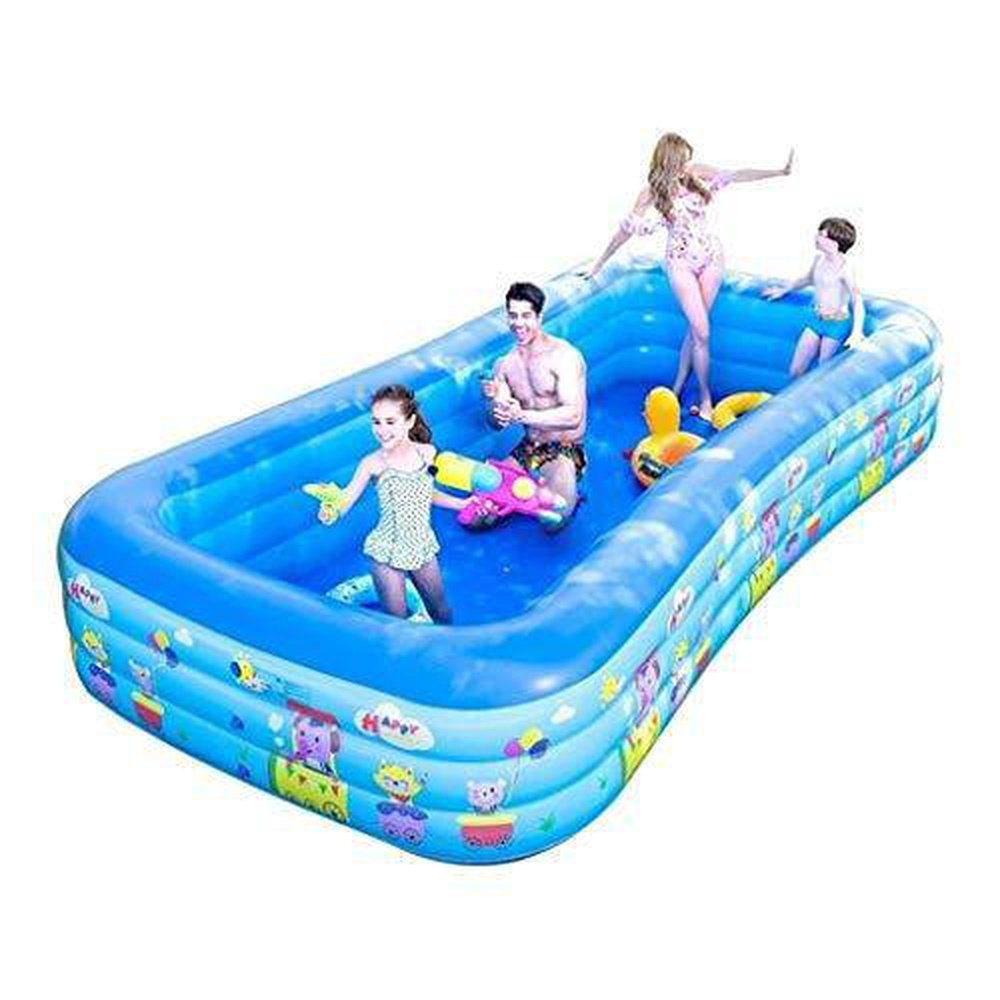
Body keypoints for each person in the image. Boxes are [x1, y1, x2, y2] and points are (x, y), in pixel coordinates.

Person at [584, 132, 793, 420]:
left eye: (688, 160)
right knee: (702, 332)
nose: (687, 166)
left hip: (711, 257)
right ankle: (706, 398)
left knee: (697, 330)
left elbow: (736, 174)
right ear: (668, 160)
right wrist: (599, 263)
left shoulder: (696, 174)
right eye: (682, 161)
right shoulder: (651, 193)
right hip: (680, 262)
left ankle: (679, 388)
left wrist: (779, 172)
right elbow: (625, 231)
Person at [331, 384, 467, 623]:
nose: (382, 430)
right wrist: (332, 510)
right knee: (398, 623)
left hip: (421, 544)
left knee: (441, 611)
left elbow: (425, 492)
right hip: (387, 551)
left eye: (390, 422)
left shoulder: (427, 453)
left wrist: (461, 504)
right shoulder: (372, 463)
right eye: (376, 422)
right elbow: (346, 499)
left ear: (409, 422)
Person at [480, 281, 587, 527]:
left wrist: (522, 415)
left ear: (539, 316)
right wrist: (494, 404)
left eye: (526, 315)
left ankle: (564, 492)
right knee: (480, 517)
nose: (519, 323)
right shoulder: (504, 365)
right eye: (513, 315)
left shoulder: (564, 356)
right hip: (529, 447)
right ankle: (528, 490)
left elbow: (573, 416)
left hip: (564, 447)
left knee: (554, 522)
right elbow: (495, 424)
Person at [763, 217, 865, 375]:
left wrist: (857, 332)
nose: (816, 237)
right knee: (796, 369)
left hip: (836, 323)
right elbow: (807, 279)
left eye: (822, 235)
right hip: (816, 319)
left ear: (835, 242)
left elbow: (857, 300)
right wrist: (784, 290)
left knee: (823, 370)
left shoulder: (846, 268)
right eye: (818, 233)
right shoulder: (819, 259)